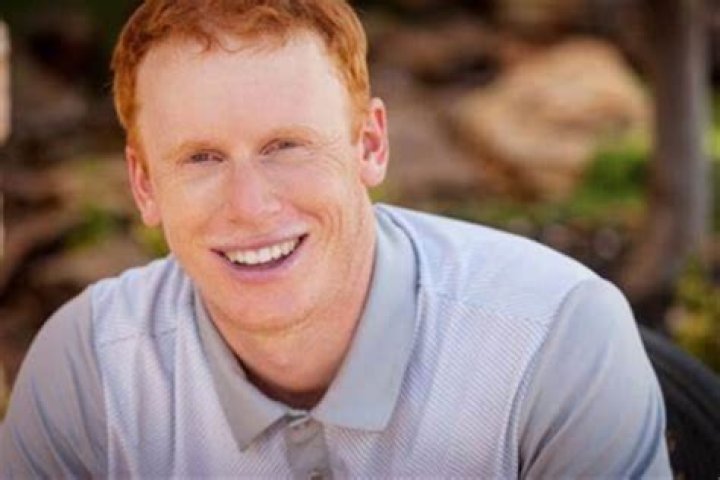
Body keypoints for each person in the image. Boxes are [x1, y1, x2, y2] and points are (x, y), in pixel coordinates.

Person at [0, 0, 671, 477]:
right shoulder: (88, 371)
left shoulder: (555, 340)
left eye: (286, 146)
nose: (250, 206)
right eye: (201, 158)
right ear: (144, 185)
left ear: (370, 145)